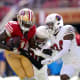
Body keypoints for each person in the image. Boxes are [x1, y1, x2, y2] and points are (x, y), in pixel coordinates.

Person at [0, 8, 37, 80]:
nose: (27, 24)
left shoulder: (32, 29)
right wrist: (8, 47)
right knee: (22, 75)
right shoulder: (13, 26)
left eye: (29, 22)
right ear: (19, 20)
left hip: (23, 52)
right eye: (25, 22)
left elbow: (32, 44)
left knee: (31, 74)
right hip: (11, 53)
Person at [41, 13, 80, 80]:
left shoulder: (67, 29)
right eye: (48, 25)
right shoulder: (52, 36)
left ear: (58, 23)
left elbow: (65, 50)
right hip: (67, 63)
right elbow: (55, 47)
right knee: (63, 77)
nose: (49, 27)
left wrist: (52, 59)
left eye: (51, 24)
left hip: (77, 59)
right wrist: (46, 50)